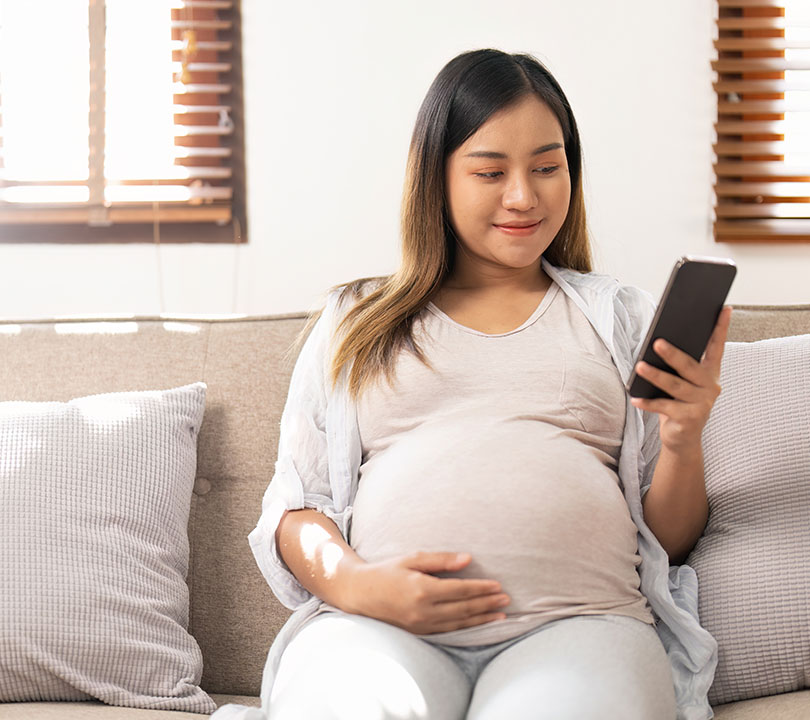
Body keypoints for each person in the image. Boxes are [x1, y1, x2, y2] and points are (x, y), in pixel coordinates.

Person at [215, 48, 727, 720]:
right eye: (491, 171)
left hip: (580, 628)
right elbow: (297, 507)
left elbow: (671, 537)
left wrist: (685, 437)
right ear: (437, 177)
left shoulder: (617, 316)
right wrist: (358, 584)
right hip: (380, 632)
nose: (525, 195)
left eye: (548, 167)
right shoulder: (356, 322)